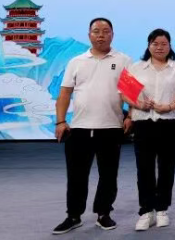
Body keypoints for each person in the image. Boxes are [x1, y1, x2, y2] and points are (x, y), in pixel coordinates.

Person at [52, 18, 133, 235]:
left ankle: (103, 213)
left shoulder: (124, 60)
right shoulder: (76, 61)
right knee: (76, 176)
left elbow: (131, 93)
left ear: (112, 35)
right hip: (79, 128)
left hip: (111, 127)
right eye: (96, 31)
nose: (101, 35)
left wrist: (131, 116)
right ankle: (73, 216)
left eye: (106, 31)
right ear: (89, 35)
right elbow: (64, 94)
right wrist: (60, 121)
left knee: (108, 175)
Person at [124, 29, 175, 231]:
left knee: (167, 167)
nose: (159, 47)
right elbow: (125, 93)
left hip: (168, 122)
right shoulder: (136, 67)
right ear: (148, 45)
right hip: (143, 122)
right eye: (155, 43)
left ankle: (162, 209)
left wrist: (169, 107)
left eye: (164, 44)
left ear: (169, 46)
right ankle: (146, 210)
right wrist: (138, 105)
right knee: (144, 168)